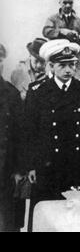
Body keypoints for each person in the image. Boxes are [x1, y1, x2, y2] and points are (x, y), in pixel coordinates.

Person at [25, 39, 80, 230]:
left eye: (72, 64)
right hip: (48, 165)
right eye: (62, 65)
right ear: (50, 66)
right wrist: (32, 165)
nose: (68, 70)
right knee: (46, 216)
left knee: (76, 220)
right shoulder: (38, 92)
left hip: (76, 165)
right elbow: (31, 131)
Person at [0, 44, 23, 232]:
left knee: (7, 224)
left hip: (5, 173)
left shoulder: (12, 94)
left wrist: (18, 170)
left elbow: (19, 135)